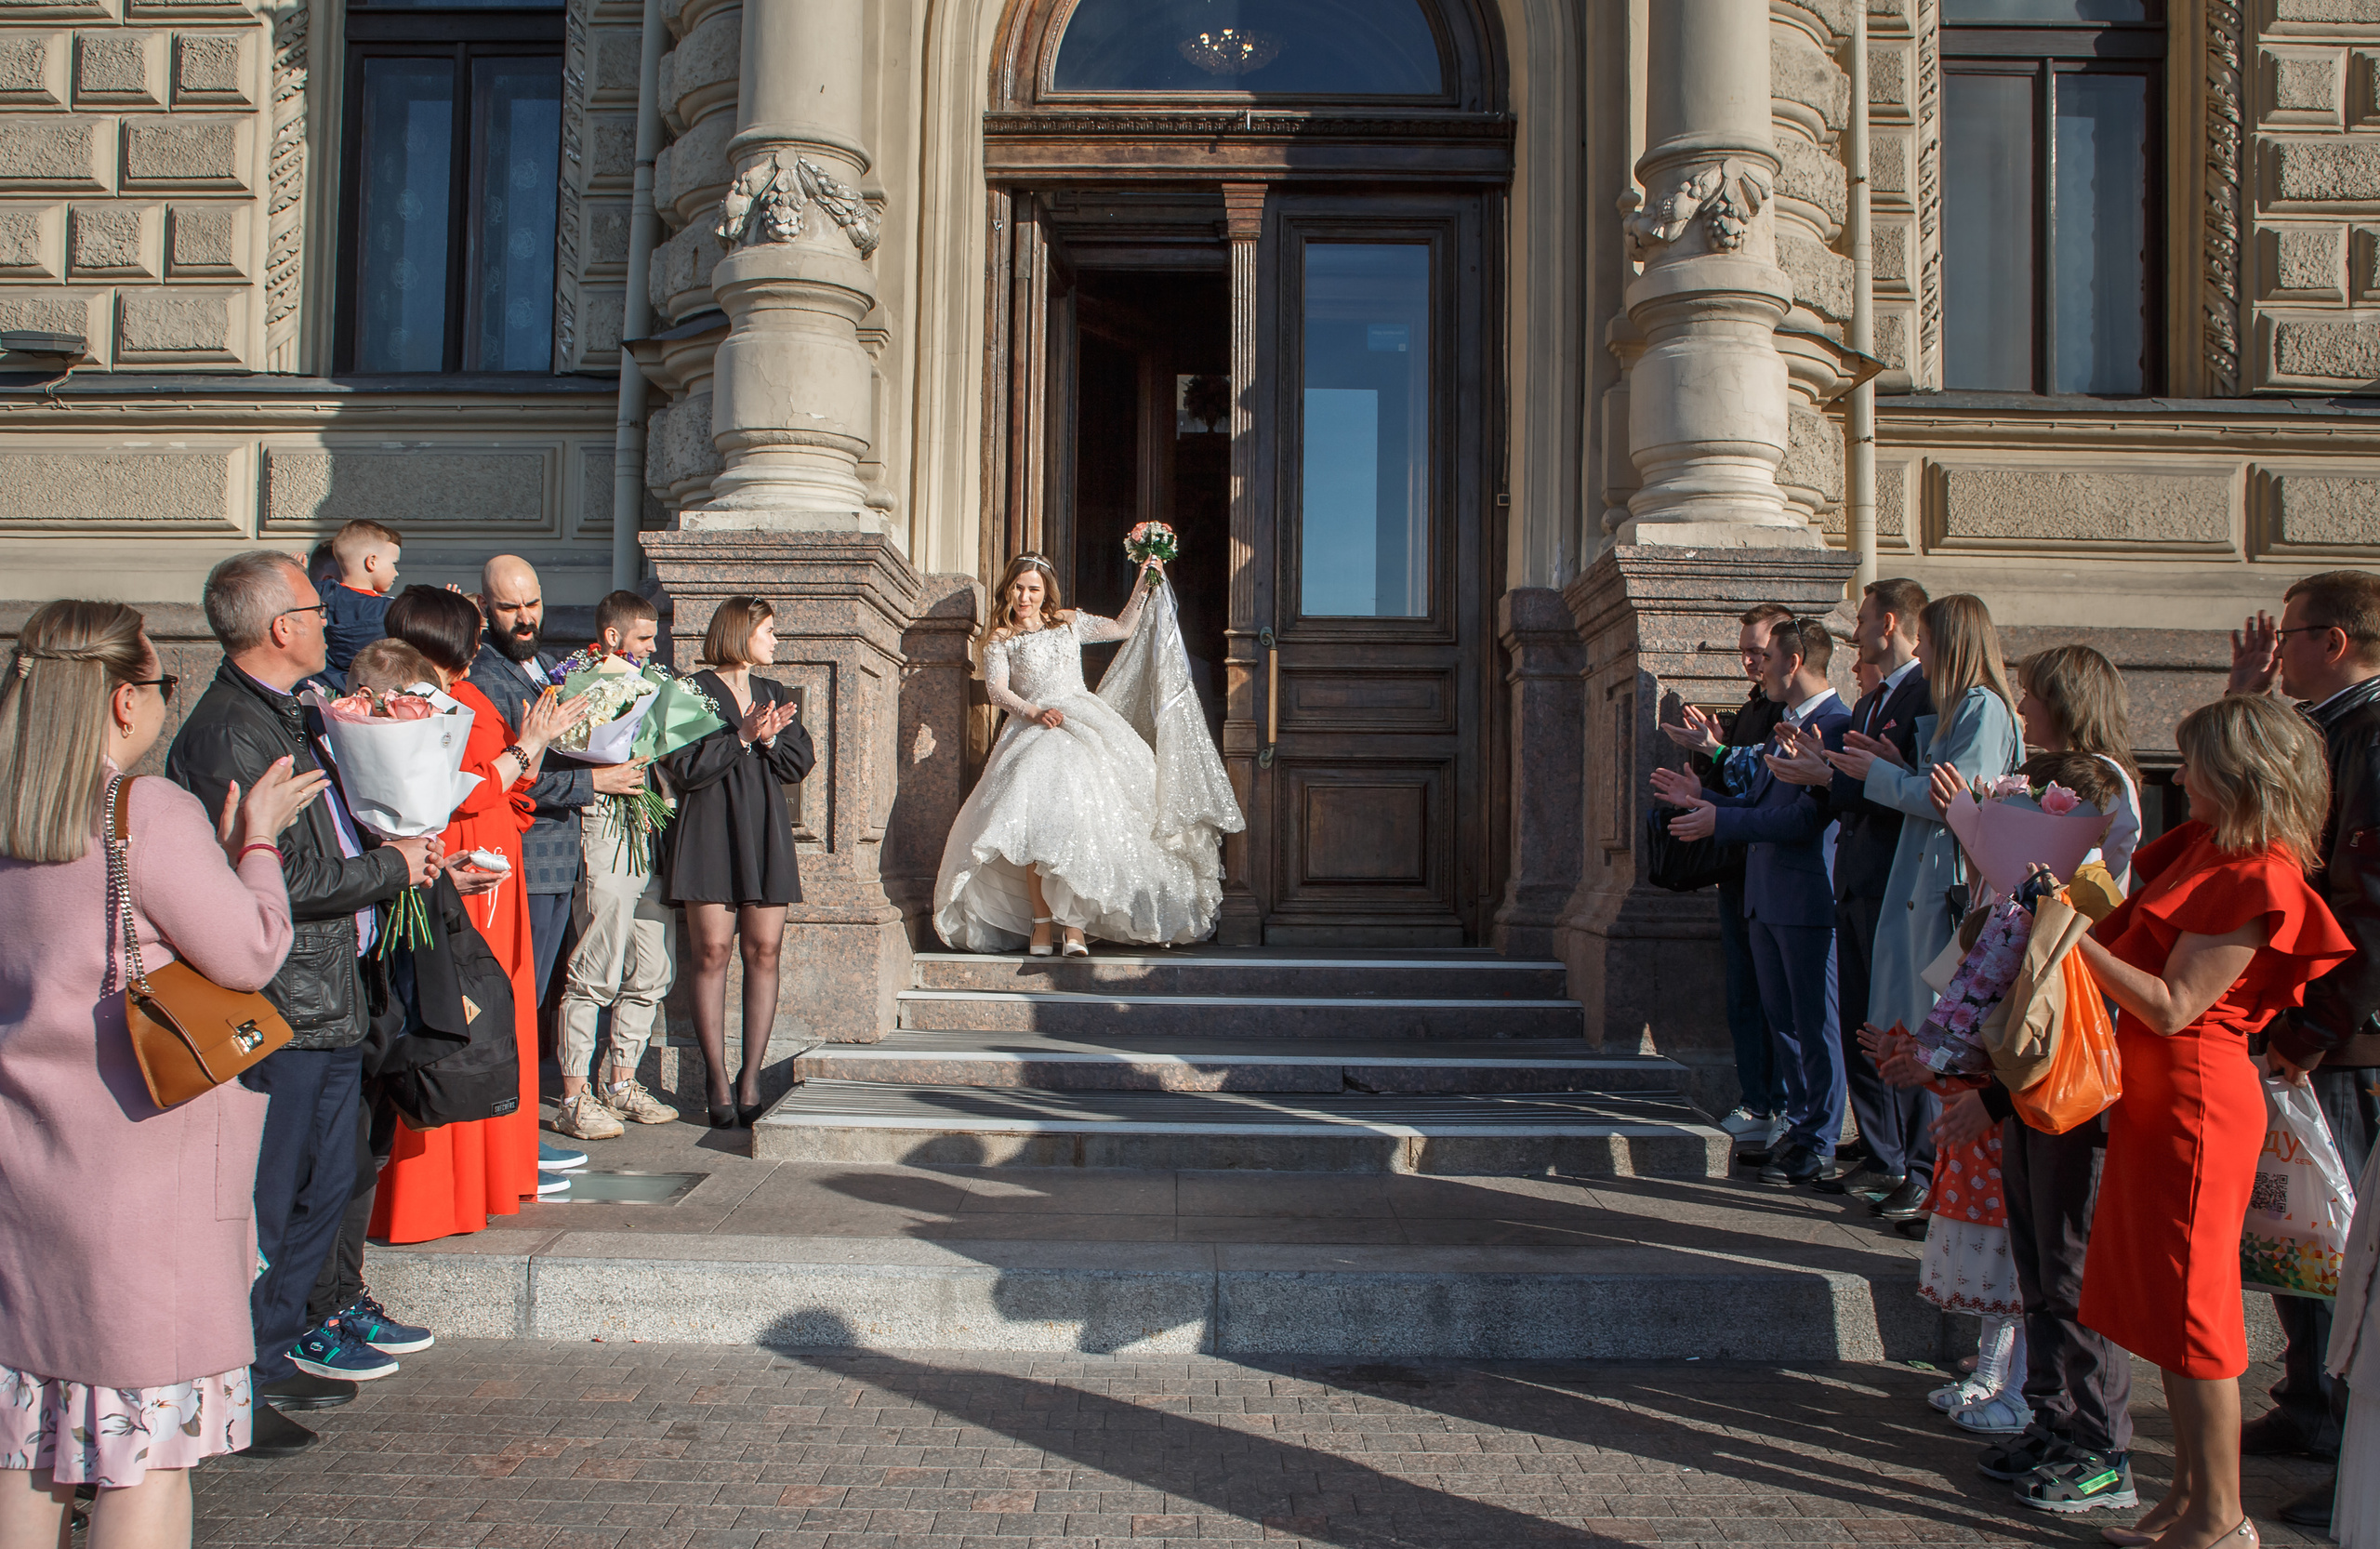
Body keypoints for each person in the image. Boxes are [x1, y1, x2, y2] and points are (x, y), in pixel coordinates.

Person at [0, 600, 323, 1543]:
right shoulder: (141, 809)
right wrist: (256, 843)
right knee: (143, 1458)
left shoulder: (16, 816)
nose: (161, 702)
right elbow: (253, 949)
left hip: (27, 1167)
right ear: (118, 700)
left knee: (32, 1440)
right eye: (158, 683)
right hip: (140, 1181)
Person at [165, 550, 439, 1458]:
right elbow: (281, 870)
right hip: (281, 1000)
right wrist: (390, 868)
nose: (333, 621)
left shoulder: (299, 709)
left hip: (329, 991)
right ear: (281, 627)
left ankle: (275, 1350)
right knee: (269, 1204)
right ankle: (240, 1372)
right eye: (319, 610)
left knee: (319, 1190)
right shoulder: (228, 732)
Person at [2077, 693, 2351, 1549]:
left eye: (2194, 759)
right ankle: (2189, 1498)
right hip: (2166, 1099)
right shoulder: (2208, 846)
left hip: (2196, 1103)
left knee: (2198, 1316)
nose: (2179, 771)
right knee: (2168, 1305)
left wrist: (2062, 934)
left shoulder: (2255, 872)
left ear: (2236, 774)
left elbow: (2171, 1006)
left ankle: (2223, 1518)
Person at [1974, 648, 2150, 1516]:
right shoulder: (2039, 779)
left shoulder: (2108, 788)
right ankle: (2049, 1413)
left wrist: (2045, 879)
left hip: (2075, 1038)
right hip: (2029, 1030)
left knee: (2072, 1249)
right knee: (2037, 1246)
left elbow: (2105, 900)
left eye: (2032, 694)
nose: (2022, 706)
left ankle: (2104, 1445)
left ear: (2064, 702)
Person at [2228, 568, 2380, 1532]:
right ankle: (2309, 1403)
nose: (2275, 648)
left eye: (2286, 635)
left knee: (2349, 1238)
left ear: (2332, 638)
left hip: (2345, 1034)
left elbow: (2364, 902)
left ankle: (2356, 1435)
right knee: (2300, 1224)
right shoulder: (2326, 723)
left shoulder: (2369, 735)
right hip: (2308, 1024)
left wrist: (2318, 1029)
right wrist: (2245, 693)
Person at [367, 587, 587, 1241]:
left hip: (485, 856)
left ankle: (495, 1168)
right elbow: (461, 788)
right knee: (461, 1015)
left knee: (496, 1012)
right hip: (460, 861)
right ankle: (448, 1186)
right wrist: (531, 743)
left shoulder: (453, 698)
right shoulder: (425, 706)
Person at [932, 551, 1241, 958]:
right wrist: (1034, 711)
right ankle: (1041, 929)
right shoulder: (1001, 639)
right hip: (1034, 727)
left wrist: (1145, 580)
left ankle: (1074, 928)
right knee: (1029, 830)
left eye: (1034, 589)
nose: (1025, 597)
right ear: (1009, 589)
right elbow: (998, 691)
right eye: (1019, 588)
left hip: (1084, 722)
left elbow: (1121, 627)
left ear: (1046, 593)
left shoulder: (1067, 622)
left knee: (1077, 821)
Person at [1824, 592, 2022, 1163]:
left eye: (1929, 640)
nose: (1923, 651)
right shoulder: (1966, 707)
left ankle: (1931, 1168)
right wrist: (1899, 767)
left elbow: (1954, 798)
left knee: (1934, 1031)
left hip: (1943, 884)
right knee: (1913, 1026)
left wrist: (1882, 775)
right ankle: (1922, 1169)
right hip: (1925, 878)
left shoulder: (1983, 706)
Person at [1653, 615, 1849, 1186]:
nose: (1756, 668)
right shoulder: (1783, 723)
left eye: (1766, 659)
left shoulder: (1835, 725)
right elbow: (1761, 798)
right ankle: (1799, 1124)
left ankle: (1822, 1137)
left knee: (1817, 1024)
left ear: (1793, 661)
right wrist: (1703, 795)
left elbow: (1804, 817)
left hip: (1805, 896)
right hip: (1765, 895)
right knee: (1782, 1022)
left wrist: (1720, 820)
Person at [1770, 578, 1938, 1217]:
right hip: (1859, 879)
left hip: (1898, 881)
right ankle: (1881, 1150)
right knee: (1868, 1026)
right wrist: (1823, 776)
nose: (1855, 631)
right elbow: (1859, 787)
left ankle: (1917, 1164)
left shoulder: (1923, 694)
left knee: (1903, 1026)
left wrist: (1830, 774)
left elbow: (1917, 791)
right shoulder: (1876, 700)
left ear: (1889, 622)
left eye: (1863, 618)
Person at [665, 595, 814, 1127]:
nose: (775, 641)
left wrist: (771, 741)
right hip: (708, 830)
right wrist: (743, 737)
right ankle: (715, 1076)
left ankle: (751, 1078)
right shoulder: (690, 690)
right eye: (768, 631)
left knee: (765, 950)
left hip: (763, 832)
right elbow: (683, 767)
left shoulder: (774, 693)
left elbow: (801, 762)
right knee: (710, 952)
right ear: (740, 633)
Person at [1661, 602, 1794, 1153]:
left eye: (1757, 652)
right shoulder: (1755, 706)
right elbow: (1735, 780)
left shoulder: (1797, 712)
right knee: (1743, 991)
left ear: (1788, 652)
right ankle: (1756, 1100)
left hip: (1776, 870)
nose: (1748, 662)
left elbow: (1770, 781)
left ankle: (1788, 1106)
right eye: (1742, 651)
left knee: (1780, 999)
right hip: (1738, 866)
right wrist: (1711, 752)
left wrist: (1718, 749)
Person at [550, 590, 679, 1142]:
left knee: (652, 965)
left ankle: (622, 1082)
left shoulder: (649, 683)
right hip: (602, 823)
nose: (653, 649)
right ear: (612, 638)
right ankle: (574, 1096)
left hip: (644, 830)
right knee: (597, 964)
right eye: (645, 639)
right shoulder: (578, 683)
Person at [320, 519, 402, 688]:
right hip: (369, 697)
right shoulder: (390, 611)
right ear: (372, 561)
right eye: (394, 563)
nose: (396, 572)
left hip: (317, 693)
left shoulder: (314, 597)